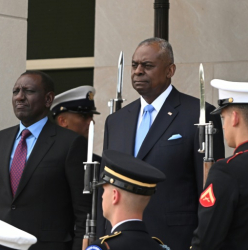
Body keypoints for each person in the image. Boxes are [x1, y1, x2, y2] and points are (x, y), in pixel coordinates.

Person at [96, 38, 225, 250]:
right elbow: (107, 186)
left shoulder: (198, 114)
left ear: (170, 70)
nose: (138, 71)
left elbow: (209, 190)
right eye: (134, 65)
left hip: (175, 240)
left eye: (147, 66)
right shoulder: (117, 121)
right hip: (120, 242)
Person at [0, 71, 91, 250]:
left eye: (28, 91)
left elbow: (83, 211)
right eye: (16, 91)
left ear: (48, 99)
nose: (20, 97)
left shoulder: (70, 143)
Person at [191, 80, 248, 250]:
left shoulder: (227, 171)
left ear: (235, 117)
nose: (223, 126)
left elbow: (206, 239)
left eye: (223, 118)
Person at [86, 150, 167, 250]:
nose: (102, 196)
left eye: (104, 190)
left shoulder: (103, 247)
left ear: (114, 196)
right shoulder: (160, 247)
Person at [51, 85, 101, 162]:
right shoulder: (47, 161)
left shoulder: (99, 163)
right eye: (83, 116)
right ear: (63, 121)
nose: (91, 122)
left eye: (91, 116)